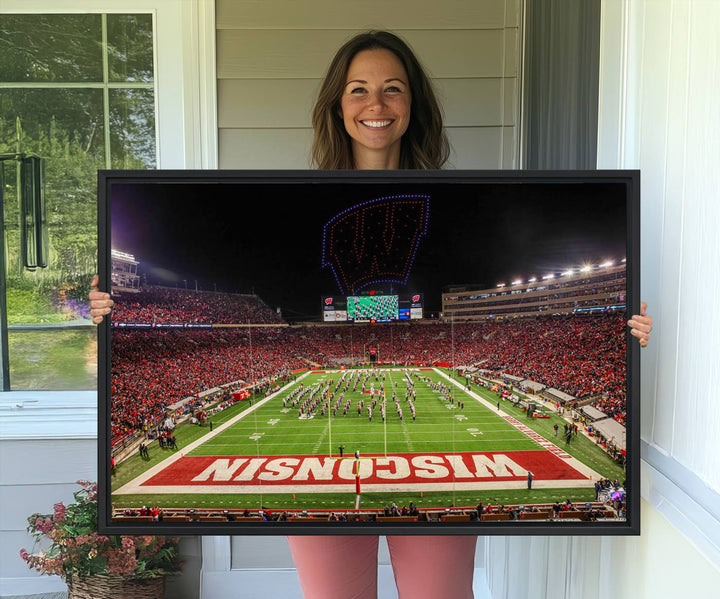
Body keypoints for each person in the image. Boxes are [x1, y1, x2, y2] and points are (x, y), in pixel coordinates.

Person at [89, 29, 654, 599]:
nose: (375, 105)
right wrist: (109, 314)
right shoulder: (299, 199)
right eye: (358, 89)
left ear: (414, 105)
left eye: (393, 89)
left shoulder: (454, 200)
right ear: (338, 104)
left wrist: (626, 331)